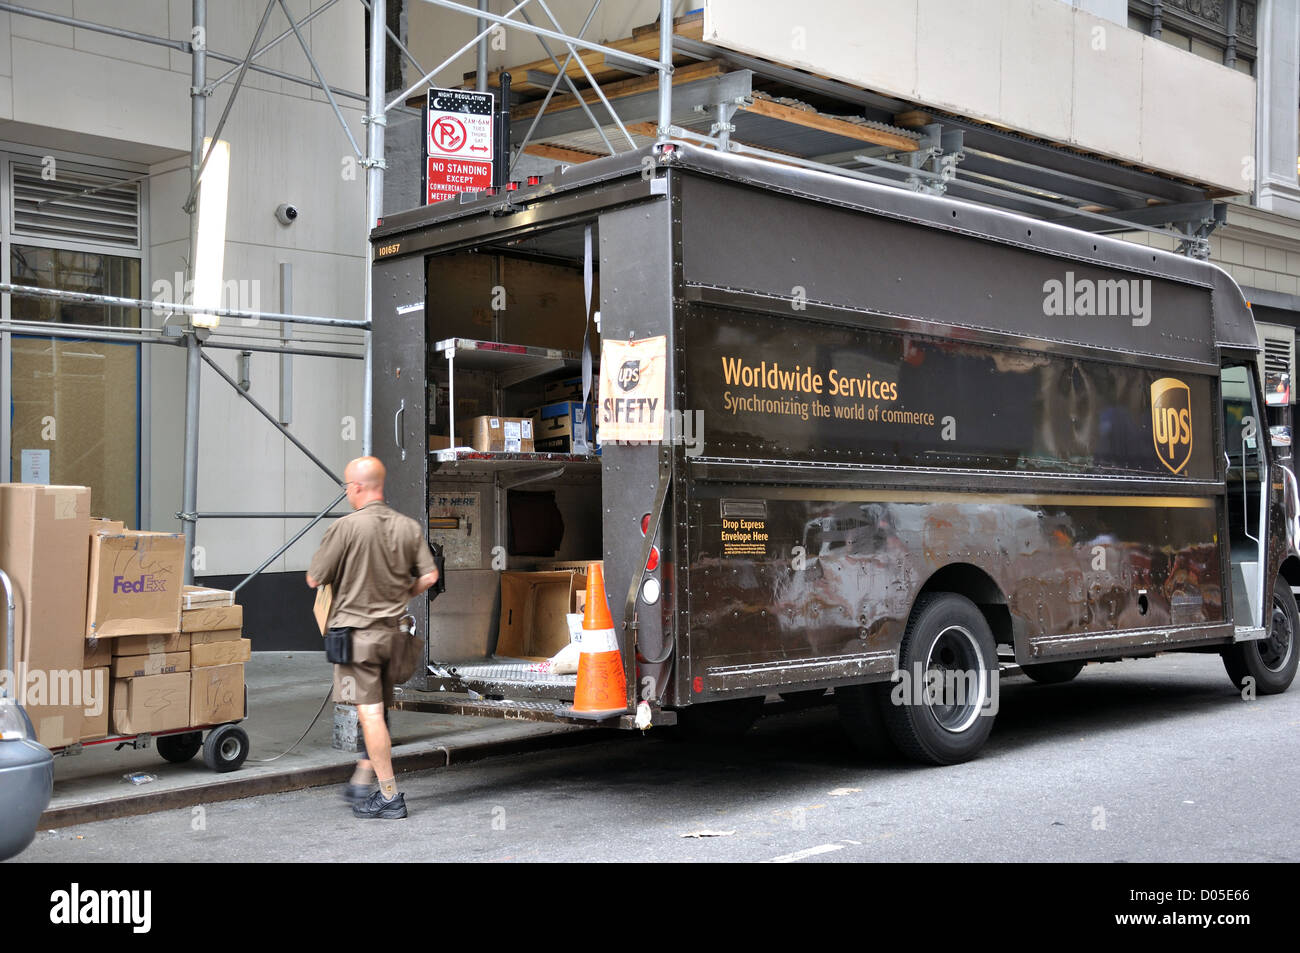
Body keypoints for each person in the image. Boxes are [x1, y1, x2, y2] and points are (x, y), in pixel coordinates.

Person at [306, 456, 439, 819]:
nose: (347, 492)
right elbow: (429, 577)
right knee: (378, 711)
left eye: (348, 486)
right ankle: (363, 776)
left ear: (359, 487)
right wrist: (399, 594)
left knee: (370, 714)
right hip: (394, 637)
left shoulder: (345, 528)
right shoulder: (407, 527)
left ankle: (389, 795)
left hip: (358, 640)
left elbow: (314, 579)